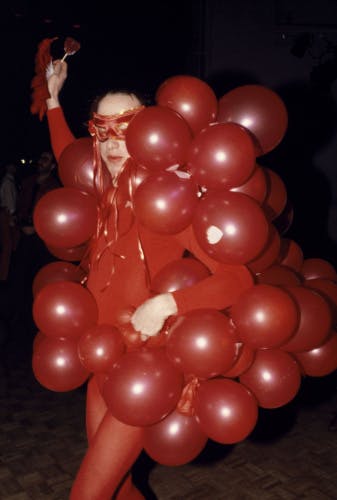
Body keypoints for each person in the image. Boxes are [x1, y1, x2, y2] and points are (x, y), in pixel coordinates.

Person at [42, 58, 254, 500]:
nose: (112, 142)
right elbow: (68, 153)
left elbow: (237, 281)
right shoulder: (102, 191)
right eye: (102, 130)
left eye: (127, 127)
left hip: (146, 367)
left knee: (88, 493)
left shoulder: (168, 201)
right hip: (100, 357)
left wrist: (168, 305)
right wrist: (53, 99)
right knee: (117, 489)